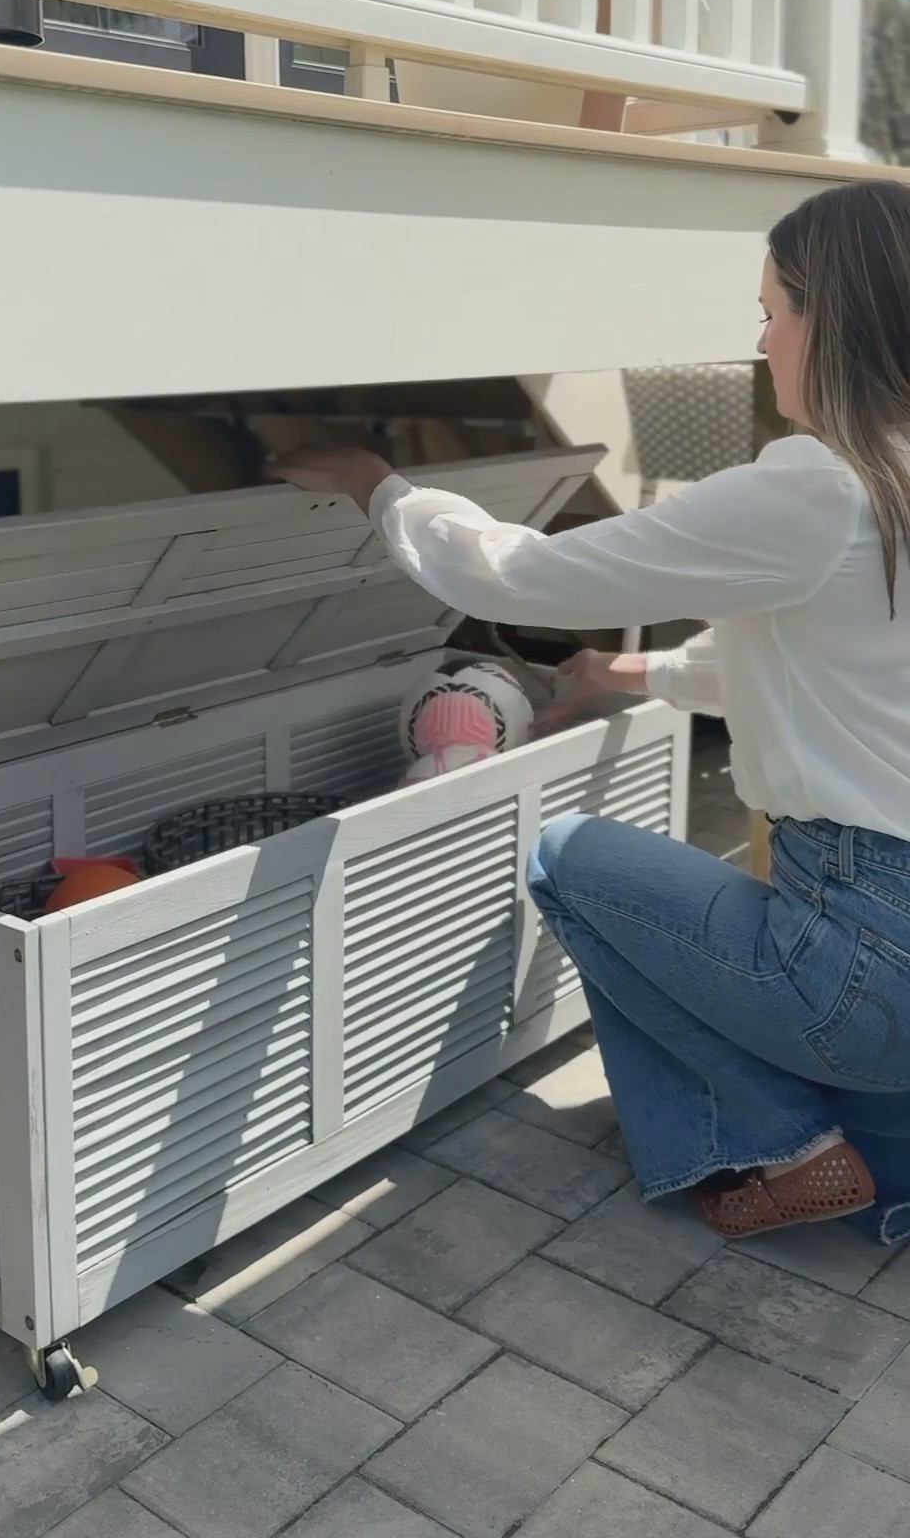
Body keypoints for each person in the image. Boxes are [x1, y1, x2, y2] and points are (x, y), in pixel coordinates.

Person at [272, 178, 910, 1244]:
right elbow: (814, 669)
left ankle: (784, 1141)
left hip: (859, 968)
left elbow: (521, 575)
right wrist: (626, 677)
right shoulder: (887, 490)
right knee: (886, 1165)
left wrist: (381, 485)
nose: (762, 345)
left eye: (772, 312)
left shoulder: (815, 488)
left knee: (564, 856)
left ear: (830, 318)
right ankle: (865, 1148)